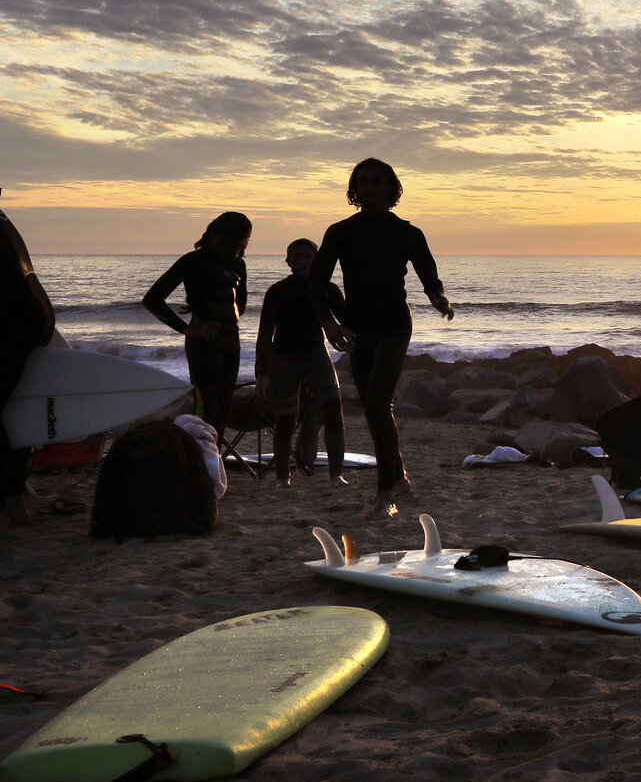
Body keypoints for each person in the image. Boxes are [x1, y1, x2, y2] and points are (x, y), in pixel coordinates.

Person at [311, 159, 453, 517]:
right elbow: (315, 284)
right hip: (356, 326)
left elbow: (428, 275)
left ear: (392, 189)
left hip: (393, 325)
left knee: (377, 404)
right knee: (377, 410)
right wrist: (329, 323)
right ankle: (400, 478)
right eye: (363, 182)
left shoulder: (408, 232)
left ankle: (385, 495)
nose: (370, 187)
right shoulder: (340, 232)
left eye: (378, 181)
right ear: (353, 190)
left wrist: (438, 298)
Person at [142, 212, 252, 441]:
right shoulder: (193, 261)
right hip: (205, 345)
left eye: (238, 241)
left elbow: (239, 305)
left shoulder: (238, 264)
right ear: (212, 235)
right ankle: (199, 462)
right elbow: (152, 299)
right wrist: (187, 328)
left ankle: (214, 463)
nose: (231, 246)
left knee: (223, 409)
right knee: (206, 410)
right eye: (227, 240)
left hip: (231, 343)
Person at [256, 238, 349, 487]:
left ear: (317, 259)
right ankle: (282, 478)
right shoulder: (277, 291)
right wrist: (262, 373)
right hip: (284, 358)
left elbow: (349, 324)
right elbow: (265, 334)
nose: (302, 261)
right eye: (296, 257)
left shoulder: (328, 289)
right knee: (285, 419)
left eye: (307, 256)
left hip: (316, 354)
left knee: (333, 412)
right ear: (288, 263)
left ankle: (336, 474)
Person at [1, 194, 58, 527]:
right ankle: (16, 498)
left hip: (16, 318)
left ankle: (9, 505)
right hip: (36, 310)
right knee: (16, 408)